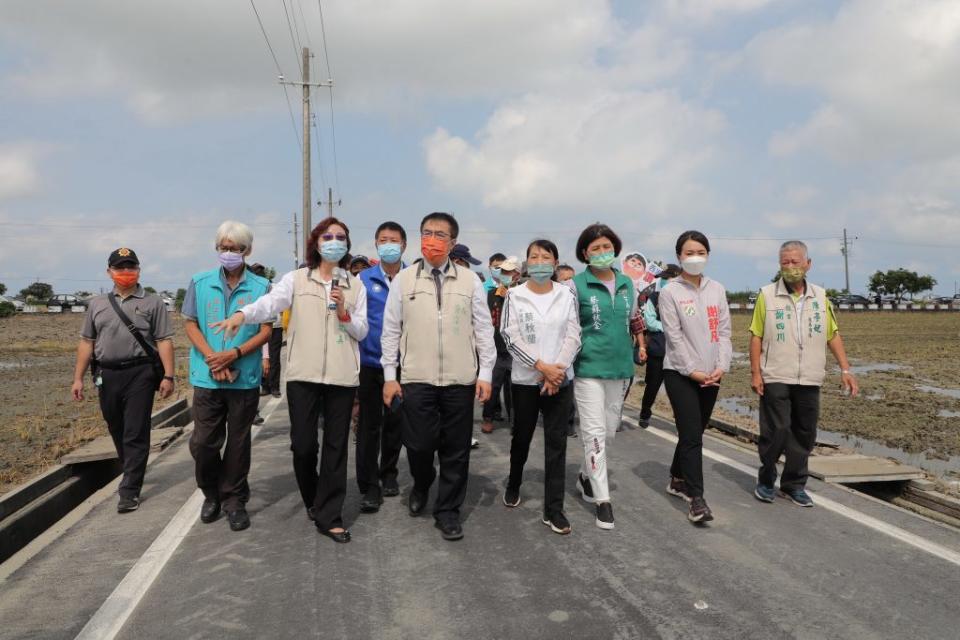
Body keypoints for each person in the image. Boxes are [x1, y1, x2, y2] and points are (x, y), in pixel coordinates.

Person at [213, 217, 368, 543]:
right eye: (328, 236)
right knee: (303, 446)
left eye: (341, 236)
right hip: (303, 375)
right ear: (316, 242)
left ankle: (330, 515)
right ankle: (313, 497)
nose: (335, 241)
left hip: (341, 376)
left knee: (336, 448)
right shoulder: (296, 279)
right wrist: (243, 315)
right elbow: (271, 304)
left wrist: (344, 313)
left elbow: (362, 331)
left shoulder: (355, 285)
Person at [381, 212, 496, 541]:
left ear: (452, 242)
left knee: (456, 449)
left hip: (460, 380)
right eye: (426, 233)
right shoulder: (404, 281)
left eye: (439, 234)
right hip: (417, 379)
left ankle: (447, 511)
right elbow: (390, 331)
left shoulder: (470, 280)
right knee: (418, 446)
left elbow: (483, 331)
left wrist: (485, 373)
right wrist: (391, 376)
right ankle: (421, 482)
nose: (432, 240)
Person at [751, 241, 859, 507]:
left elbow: (832, 334)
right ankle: (766, 481)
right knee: (776, 430)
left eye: (795, 262)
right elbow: (756, 335)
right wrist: (755, 373)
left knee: (804, 433)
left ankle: (793, 485)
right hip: (776, 373)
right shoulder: (767, 295)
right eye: (785, 262)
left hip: (809, 376)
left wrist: (845, 369)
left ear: (808, 264)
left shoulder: (821, 297)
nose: (790, 267)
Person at [182, 222, 272, 532]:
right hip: (207, 377)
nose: (229, 253)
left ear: (247, 250)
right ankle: (212, 492)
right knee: (204, 443)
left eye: (235, 248)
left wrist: (233, 355)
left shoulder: (261, 287)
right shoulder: (200, 282)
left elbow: (265, 330)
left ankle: (234, 500)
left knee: (237, 443)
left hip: (243, 377)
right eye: (223, 247)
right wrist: (213, 358)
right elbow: (191, 324)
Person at [71, 248, 175, 513]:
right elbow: (87, 342)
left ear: (138, 271)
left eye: (131, 268)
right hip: (106, 374)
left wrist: (169, 375)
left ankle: (129, 490)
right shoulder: (97, 304)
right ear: (109, 272)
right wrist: (78, 378)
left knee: (135, 430)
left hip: (140, 373)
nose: (125, 273)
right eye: (120, 268)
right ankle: (132, 469)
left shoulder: (152, 303)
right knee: (116, 426)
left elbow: (164, 341)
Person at [499, 239, 581, 534]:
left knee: (557, 444)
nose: (539, 262)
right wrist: (542, 367)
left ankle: (553, 509)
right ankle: (514, 480)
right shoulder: (515, 295)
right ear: (526, 263)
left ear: (555, 263)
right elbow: (510, 337)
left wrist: (556, 370)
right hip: (526, 381)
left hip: (560, 380)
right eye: (533, 257)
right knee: (521, 437)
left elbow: (574, 335)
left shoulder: (566, 294)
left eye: (545, 257)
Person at [659, 230, 732, 524]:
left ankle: (677, 478)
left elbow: (725, 332)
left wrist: (721, 366)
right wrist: (693, 371)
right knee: (691, 436)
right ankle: (696, 499)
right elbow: (673, 338)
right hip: (679, 373)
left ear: (708, 255)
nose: (695, 257)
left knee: (694, 432)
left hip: (712, 373)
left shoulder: (717, 289)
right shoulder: (670, 292)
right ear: (679, 256)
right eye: (689, 252)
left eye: (700, 252)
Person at [570, 223, 638, 530]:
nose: (601, 253)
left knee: (609, 430)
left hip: (620, 369)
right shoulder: (576, 285)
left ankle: (586, 475)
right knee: (594, 433)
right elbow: (569, 328)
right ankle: (602, 499)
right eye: (595, 248)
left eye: (606, 247)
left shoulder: (627, 284)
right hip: (588, 369)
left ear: (615, 249)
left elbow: (631, 320)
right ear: (584, 253)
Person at [355, 221, 407, 513]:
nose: (389, 244)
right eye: (383, 240)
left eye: (394, 240)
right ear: (376, 244)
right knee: (368, 426)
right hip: (369, 364)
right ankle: (368, 486)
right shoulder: (362, 279)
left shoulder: (413, 277)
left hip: (402, 364)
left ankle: (389, 473)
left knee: (395, 423)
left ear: (404, 246)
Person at [481, 255, 521, 434]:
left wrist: (511, 297)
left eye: (509, 272)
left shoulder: (522, 295)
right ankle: (488, 418)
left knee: (514, 389)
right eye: (502, 271)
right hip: (496, 349)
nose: (504, 274)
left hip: (515, 351)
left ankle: (515, 421)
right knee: (493, 386)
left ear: (517, 275)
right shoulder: (491, 294)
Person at [638, 264, 681, 427]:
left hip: (678, 352)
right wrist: (669, 327)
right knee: (652, 386)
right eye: (662, 278)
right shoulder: (654, 297)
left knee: (678, 390)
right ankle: (644, 413)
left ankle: (680, 421)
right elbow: (649, 321)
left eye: (667, 278)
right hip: (658, 350)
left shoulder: (685, 298)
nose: (664, 281)